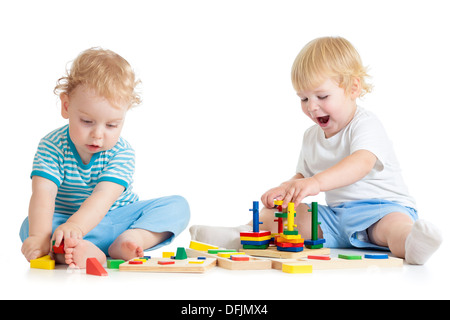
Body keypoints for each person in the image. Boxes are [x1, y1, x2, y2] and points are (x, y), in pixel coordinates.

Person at [190, 36, 442, 265]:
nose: (312, 107)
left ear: (353, 88)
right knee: (281, 215)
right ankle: (241, 234)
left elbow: (362, 162)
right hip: (335, 218)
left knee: (392, 229)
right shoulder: (311, 136)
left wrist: (317, 183)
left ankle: (412, 244)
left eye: (322, 96)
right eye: (304, 98)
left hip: (381, 209)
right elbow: (303, 175)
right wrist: (286, 188)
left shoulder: (365, 124)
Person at [20, 47, 190, 268]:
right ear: (66, 106)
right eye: (87, 122)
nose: (98, 134)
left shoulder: (122, 152)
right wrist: (39, 236)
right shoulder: (51, 146)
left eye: (111, 125)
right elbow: (43, 194)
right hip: (66, 223)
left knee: (178, 206)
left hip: (118, 219)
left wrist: (78, 227)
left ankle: (133, 239)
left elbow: (102, 198)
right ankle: (74, 250)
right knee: (31, 227)